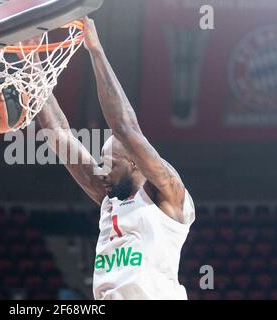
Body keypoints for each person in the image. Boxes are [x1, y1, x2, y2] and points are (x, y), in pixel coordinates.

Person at [35, 17, 195, 300]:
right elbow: (58, 134)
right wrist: (31, 69)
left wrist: (95, 50)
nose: (102, 171)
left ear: (135, 161)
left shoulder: (168, 196)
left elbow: (124, 126)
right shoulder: (111, 196)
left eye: (110, 163)